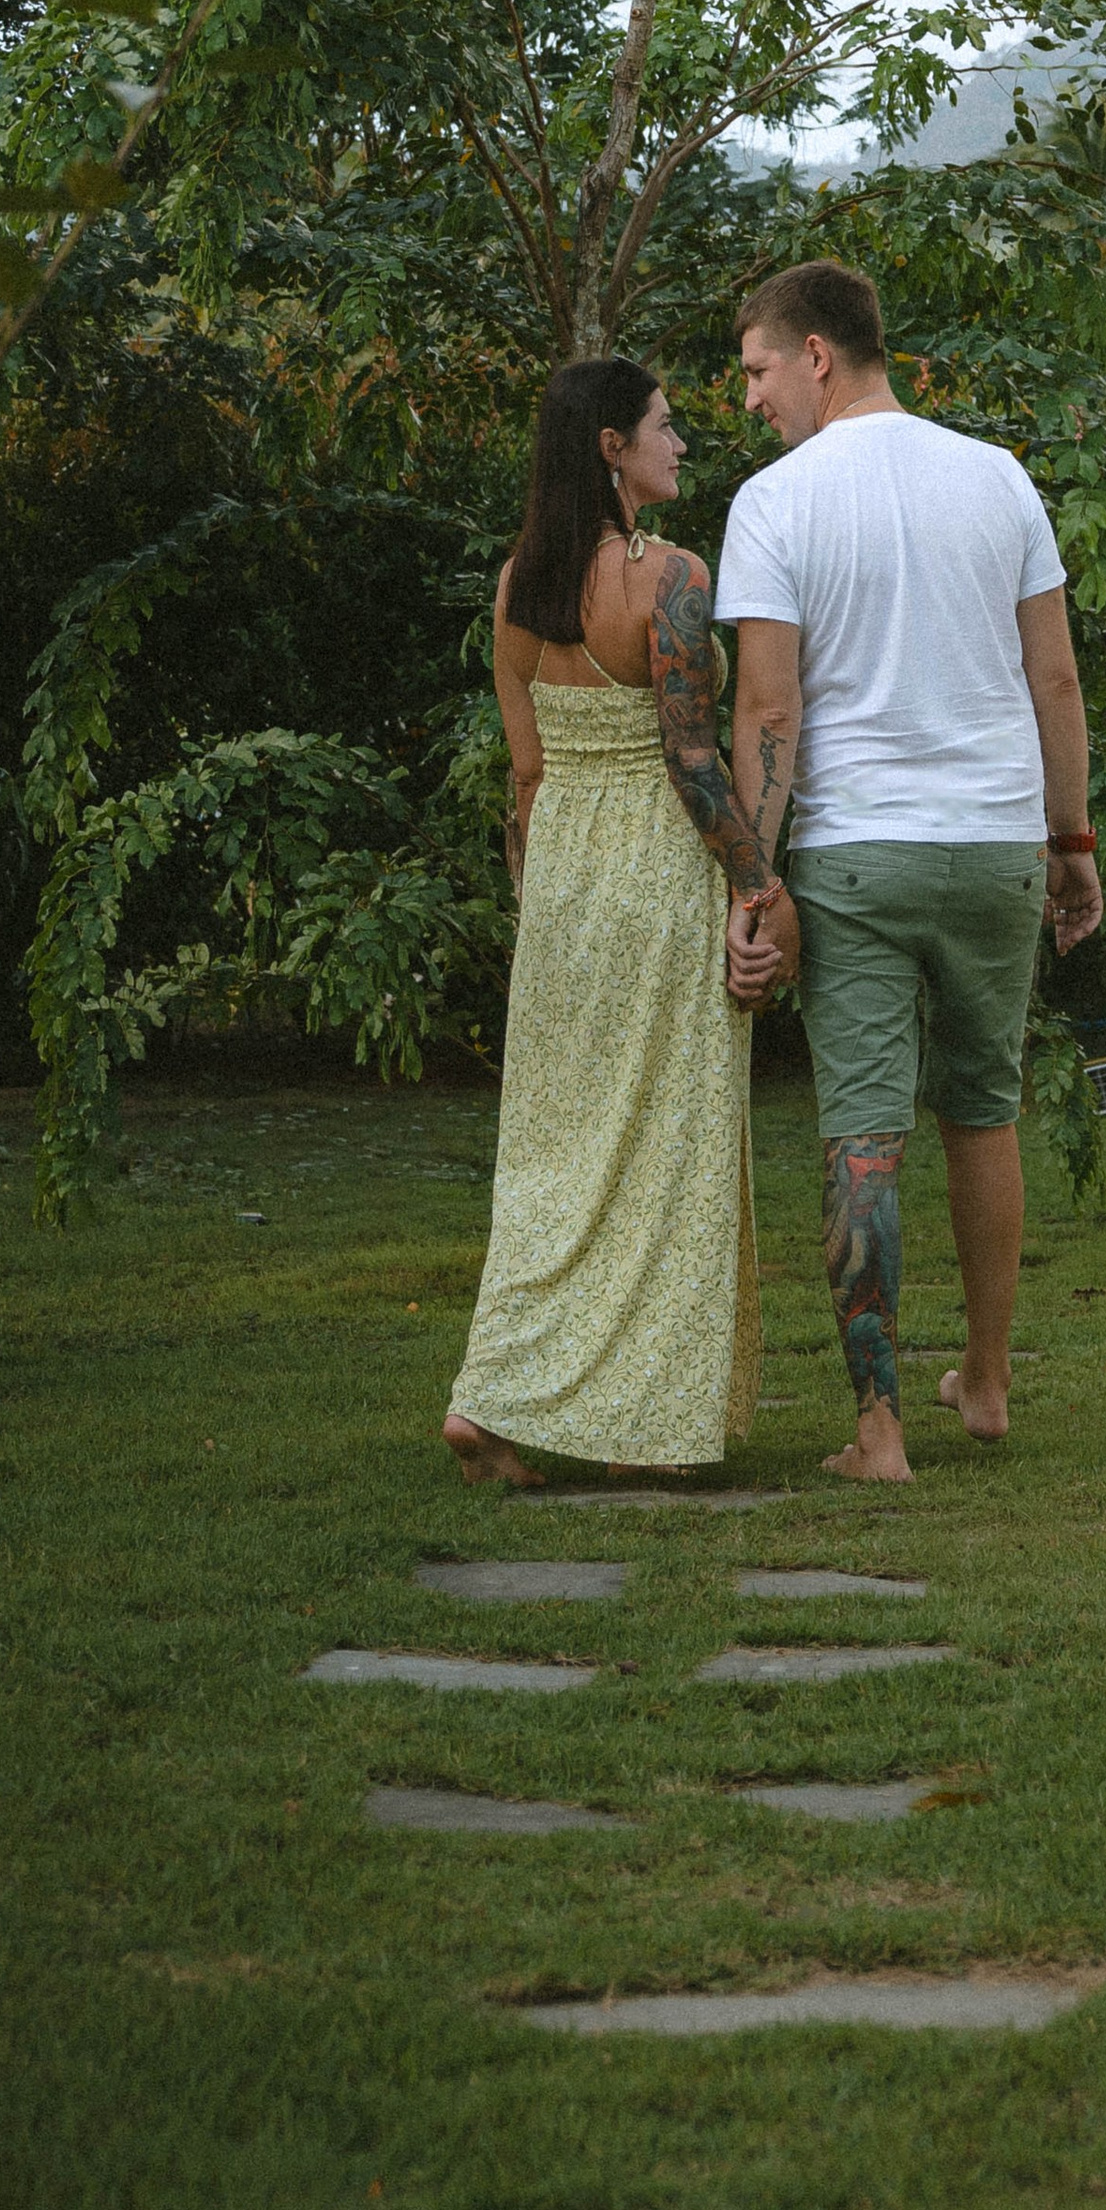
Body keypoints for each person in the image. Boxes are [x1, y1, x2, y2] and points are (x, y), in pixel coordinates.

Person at [716, 261, 1101, 1483]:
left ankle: (879, 1430)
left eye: (758, 369)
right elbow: (1054, 680)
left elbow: (767, 706)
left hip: (854, 856)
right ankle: (983, 1388)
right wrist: (1071, 840)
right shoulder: (998, 479)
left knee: (862, 1132)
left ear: (817, 354)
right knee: (983, 1109)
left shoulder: (774, 503)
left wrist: (752, 877)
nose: (750, 398)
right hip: (993, 844)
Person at [444, 358, 786, 1486]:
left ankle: (492, 1393)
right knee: (663, 1151)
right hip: (654, 869)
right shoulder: (672, 580)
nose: (680, 442)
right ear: (609, 446)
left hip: (563, 890)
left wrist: (539, 904)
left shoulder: (514, 588)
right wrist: (754, 886)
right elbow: (693, 761)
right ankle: (637, 1425)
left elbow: (526, 776)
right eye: (663, 425)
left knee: (552, 1157)